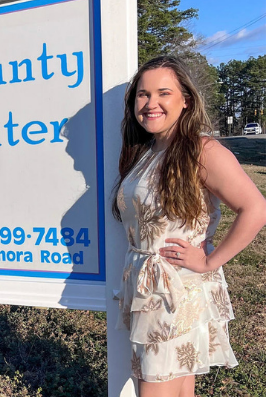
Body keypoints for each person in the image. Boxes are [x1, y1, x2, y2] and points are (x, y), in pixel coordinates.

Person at [112, 56, 266, 397]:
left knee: (156, 388)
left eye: (163, 93)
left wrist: (210, 261)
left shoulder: (201, 150)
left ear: (186, 100)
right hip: (149, 288)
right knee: (177, 388)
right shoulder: (146, 151)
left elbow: (255, 208)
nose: (151, 103)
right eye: (142, 94)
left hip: (173, 290)